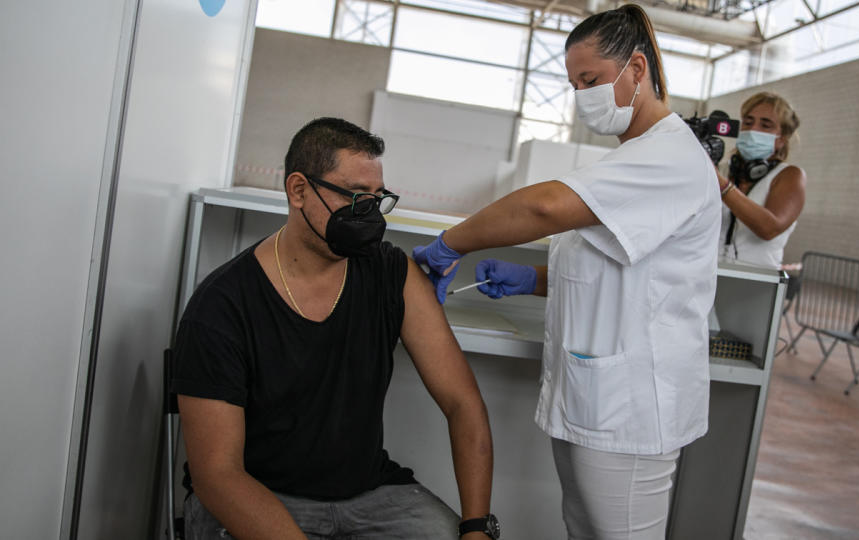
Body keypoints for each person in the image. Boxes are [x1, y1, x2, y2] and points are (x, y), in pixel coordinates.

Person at [413, 6, 719, 539]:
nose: (581, 97)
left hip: (630, 408)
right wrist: (530, 279)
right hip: (597, 396)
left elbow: (545, 208)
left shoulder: (670, 156)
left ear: (638, 70)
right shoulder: (635, 157)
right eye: (574, 83)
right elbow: (620, 268)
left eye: (591, 80)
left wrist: (449, 243)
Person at [172, 118, 498, 540]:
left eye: (378, 199)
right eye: (355, 197)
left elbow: (463, 403)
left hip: (371, 495)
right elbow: (217, 475)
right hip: (258, 495)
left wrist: (476, 527)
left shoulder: (390, 274)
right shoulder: (221, 307)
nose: (369, 213)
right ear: (298, 190)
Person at [716, 91, 806, 268]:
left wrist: (722, 186)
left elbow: (769, 229)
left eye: (766, 125)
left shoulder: (789, 175)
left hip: (756, 280)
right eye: (748, 122)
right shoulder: (722, 169)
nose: (753, 130)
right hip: (707, 274)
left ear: (782, 139)